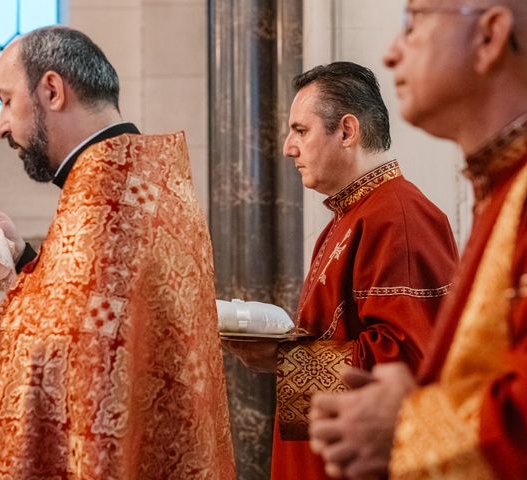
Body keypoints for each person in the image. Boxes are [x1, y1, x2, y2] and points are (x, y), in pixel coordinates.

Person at [0, 26, 235, 479]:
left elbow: (80, 355)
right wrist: (27, 258)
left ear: (51, 89)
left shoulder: (106, 190)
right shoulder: (144, 175)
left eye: (7, 101)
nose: (0, 127)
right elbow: (99, 319)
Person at [308, 2, 527, 479]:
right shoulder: (500, 188)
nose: (391, 53)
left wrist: (408, 428)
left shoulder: (402, 210)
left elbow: (408, 353)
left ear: (489, 36)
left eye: (414, 23)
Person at [224, 61, 459, 480]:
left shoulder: (400, 216)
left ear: (347, 131)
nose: (287, 147)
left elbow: (406, 365)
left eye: (300, 130)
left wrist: (284, 359)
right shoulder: (351, 214)